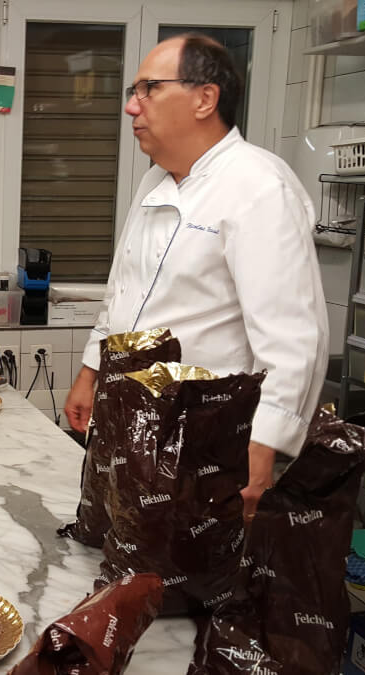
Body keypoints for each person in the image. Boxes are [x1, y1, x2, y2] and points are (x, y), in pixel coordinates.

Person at [63, 34, 328, 518]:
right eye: (133, 91)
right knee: (124, 543)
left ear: (205, 98)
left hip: (208, 435)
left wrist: (263, 447)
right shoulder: (155, 179)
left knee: (189, 557)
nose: (132, 107)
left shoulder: (259, 187)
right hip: (135, 419)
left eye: (149, 89)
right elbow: (124, 288)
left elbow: (290, 337)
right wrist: (90, 372)